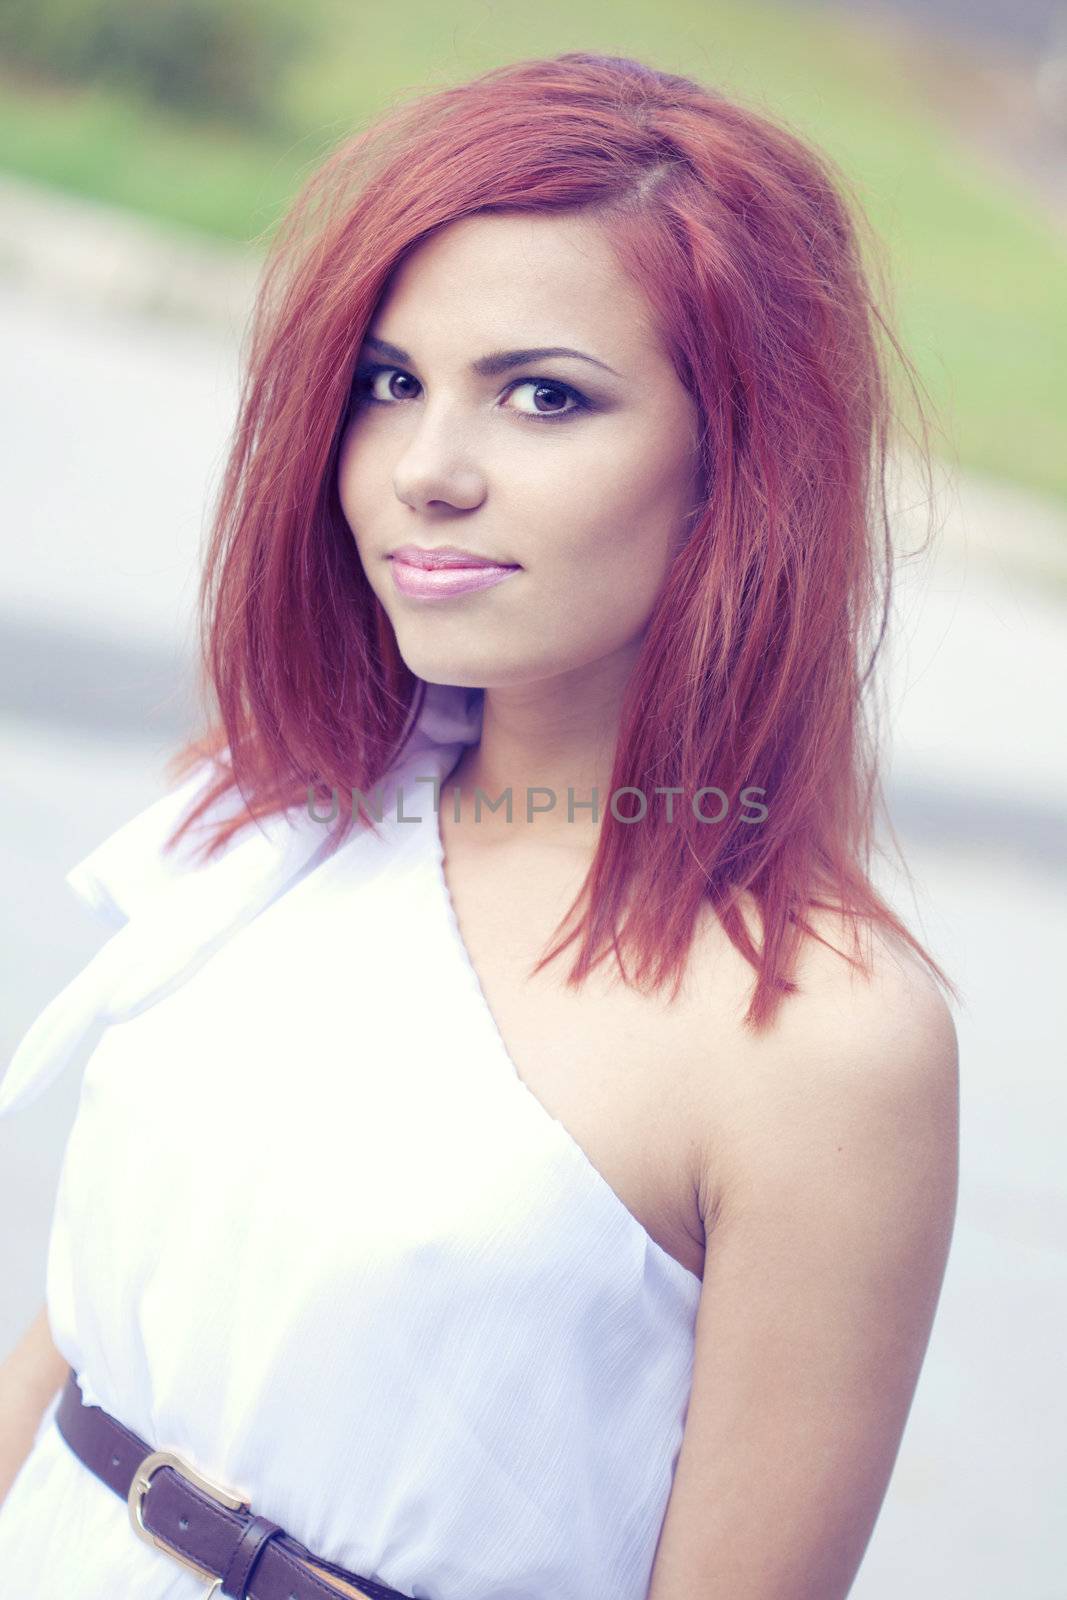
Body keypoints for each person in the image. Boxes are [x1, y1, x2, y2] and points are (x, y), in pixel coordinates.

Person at [0, 49, 960, 1600]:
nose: (426, 472)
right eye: (391, 383)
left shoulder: (818, 1041)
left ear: (739, 463)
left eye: (542, 395)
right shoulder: (285, 810)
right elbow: (83, 1338)